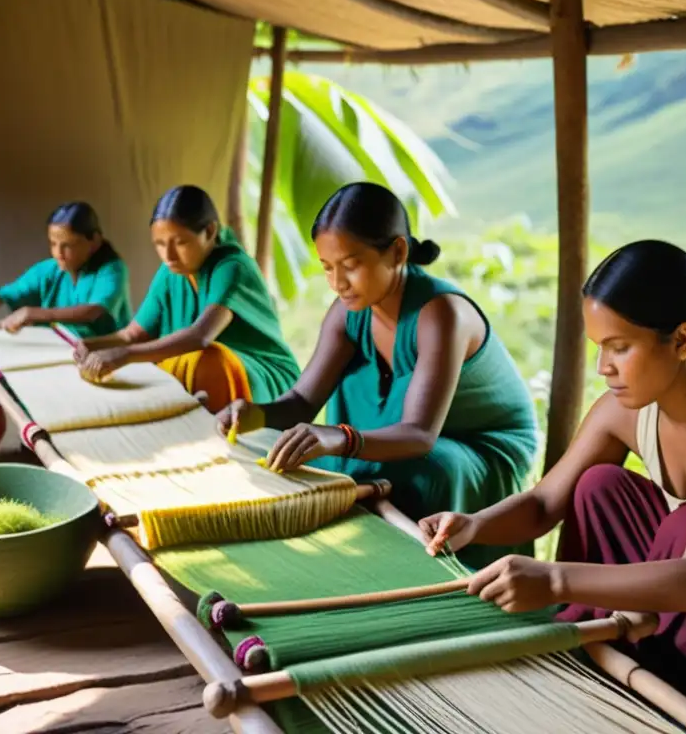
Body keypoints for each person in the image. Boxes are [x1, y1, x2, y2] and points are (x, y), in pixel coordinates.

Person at [419, 239, 686, 710]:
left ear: (682, 341)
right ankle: (621, 640)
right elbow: (547, 503)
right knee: (598, 486)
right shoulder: (622, 411)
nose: (604, 367)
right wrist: (473, 524)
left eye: (619, 347)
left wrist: (555, 581)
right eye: (600, 348)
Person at [215, 182, 540, 570]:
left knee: (417, 470)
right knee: (290, 454)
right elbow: (302, 403)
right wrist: (255, 415)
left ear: (398, 252)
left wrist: (338, 437)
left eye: (351, 266)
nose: (337, 282)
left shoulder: (442, 315)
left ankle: (425, 576)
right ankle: (341, 562)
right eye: (327, 268)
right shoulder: (347, 313)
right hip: (405, 440)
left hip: (479, 452)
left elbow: (420, 435)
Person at [75, 184, 299, 412]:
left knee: (209, 359)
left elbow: (200, 336)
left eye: (180, 242)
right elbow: (133, 334)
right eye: (160, 244)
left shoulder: (232, 267)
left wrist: (124, 355)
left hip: (262, 374)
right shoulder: (170, 272)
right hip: (204, 373)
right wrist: (89, 346)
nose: (168, 255)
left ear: (210, 231)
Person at [0, 201, 131, 337]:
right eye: (53, 244)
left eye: (68, 245)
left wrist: (34, 313)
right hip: (66, 355)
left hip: (107, 357)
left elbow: (94, 311)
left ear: (94, 241)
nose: (58, 252)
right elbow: (3, 295)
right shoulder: (49, 271)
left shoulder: (111, 270)